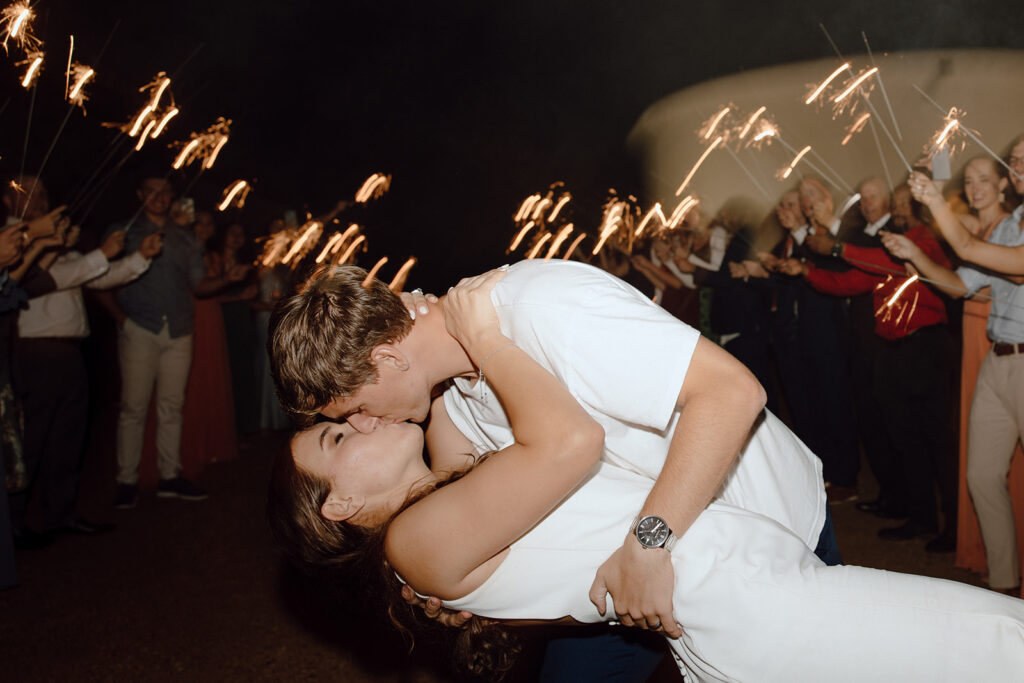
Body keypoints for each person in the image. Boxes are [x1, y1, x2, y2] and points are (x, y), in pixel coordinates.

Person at [269, 269, 1024, 681]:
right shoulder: (456, 398)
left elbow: (732, 393)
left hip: (756, 525)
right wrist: (463, 599)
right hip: (689, 589)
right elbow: (488, 506)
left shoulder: (537, 311)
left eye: (349, 408)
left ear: (388, 360)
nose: (365, 421)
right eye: (344, 427)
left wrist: (647, 543)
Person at [885, 165, 1024, 595]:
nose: (1018, 166)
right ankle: (1004, 586)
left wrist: (932, 199)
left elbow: (993, 259)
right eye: (1015, 158)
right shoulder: (1009, 227)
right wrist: (913, 255)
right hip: (997, 361)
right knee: (981, 476)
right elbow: (960, 286)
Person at [96, 175, 249, 509]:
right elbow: (98, 279)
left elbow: (198, 286)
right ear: (140, 194)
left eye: (165, 191)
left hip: (179, 330)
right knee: (133, 408)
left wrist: (226, 279)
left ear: (173, 197)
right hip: (140, 328)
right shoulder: (123, 232)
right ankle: (127, 481)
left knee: (171, 406)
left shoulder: (186, 239)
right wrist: (121, 319)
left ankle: (170, 476)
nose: (159, 196)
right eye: (151, 190)